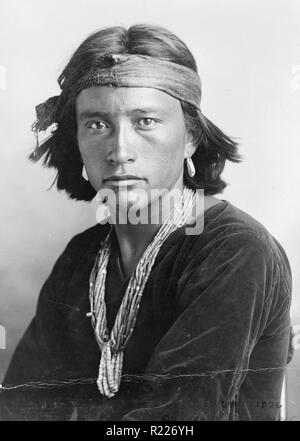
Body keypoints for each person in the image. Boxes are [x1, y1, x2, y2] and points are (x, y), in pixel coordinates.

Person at [0, 24, 293, 421]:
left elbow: (171, 423)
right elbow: (19, 407)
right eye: (97, 124)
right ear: (78, 140)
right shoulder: (81, 258)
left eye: (145, 121)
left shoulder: (234, 250)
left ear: (190, 135)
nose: (120, 151)